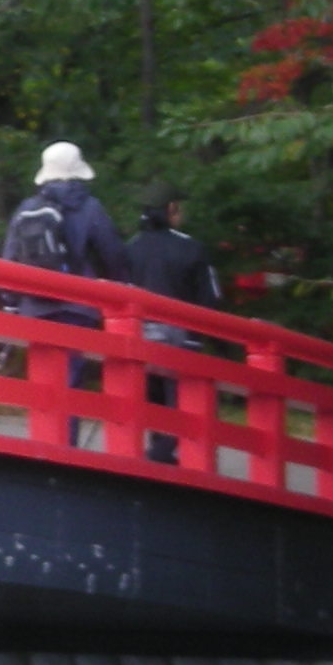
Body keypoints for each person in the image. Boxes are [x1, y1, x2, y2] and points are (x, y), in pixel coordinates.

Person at [0, 141, 130, 444]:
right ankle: (64, 449)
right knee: (69, 380)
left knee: (43, 381)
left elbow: (10, 259)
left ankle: (43, 444)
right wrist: (119, 290)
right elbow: (113, 255)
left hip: (35, 307)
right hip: (77, 306)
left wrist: (12, 300)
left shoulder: (28, 208)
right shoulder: (90, 207)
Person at [123, 187, 222, 465]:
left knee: (153, 403)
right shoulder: (191, 248)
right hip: (181, 337)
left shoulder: (131, 248)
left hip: (138, 334)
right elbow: (209, 298)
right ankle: (161, 456)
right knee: (180, 406)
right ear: (171, 209)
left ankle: (158, 454)